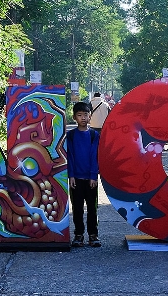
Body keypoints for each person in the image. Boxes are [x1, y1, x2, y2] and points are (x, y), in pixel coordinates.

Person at [67, 101, 101, 247]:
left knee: (92, 209)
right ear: (74, 117)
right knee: (77, 209)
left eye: (85, 115)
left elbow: (95, 157)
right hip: (76, 180)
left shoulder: (94, 135)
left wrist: (93, 176)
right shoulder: (71, 135)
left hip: (90, 180)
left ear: (90, 116)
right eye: (79, 115)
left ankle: (93, 235)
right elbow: (70, 157)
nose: (83, 118)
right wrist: (71, 175)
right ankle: (79, 235)